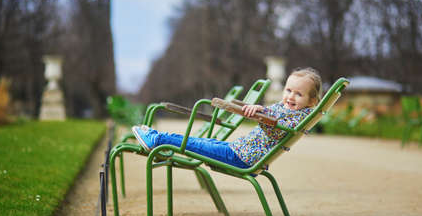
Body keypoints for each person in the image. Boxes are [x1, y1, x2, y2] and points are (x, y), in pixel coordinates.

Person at [132, 67, 322, 169]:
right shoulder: (288, 109)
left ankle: (156, 140)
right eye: (288, 90)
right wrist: (259, 109)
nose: (290, 96)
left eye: (298, 94)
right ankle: (158, 139)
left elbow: (277, 128)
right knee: (198, 141)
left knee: (196, 145)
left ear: (312, 101)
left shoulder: (298, 118)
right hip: (237, 149)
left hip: (241, 158)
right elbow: (273, 115)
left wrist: (262, 116)